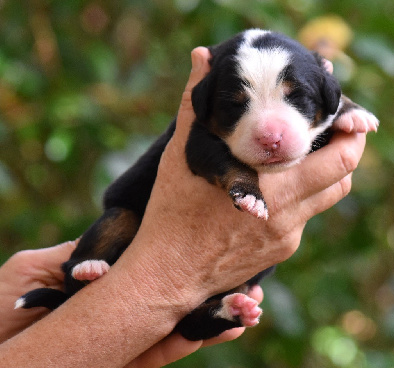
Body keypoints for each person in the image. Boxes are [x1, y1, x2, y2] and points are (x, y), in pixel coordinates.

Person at [0, 46, 366, 368]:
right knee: (117, 223)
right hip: (134, 220)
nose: (270, 133)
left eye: (295, 98)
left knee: (235, 303)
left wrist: (343, 109)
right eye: (239, 106)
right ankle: (85, 267)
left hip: (189, 303)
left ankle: (217, 311)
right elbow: (203, 153)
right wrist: (166, 278)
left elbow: (323, 102)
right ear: (207, 104)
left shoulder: (316, 94)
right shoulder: (204, 128)